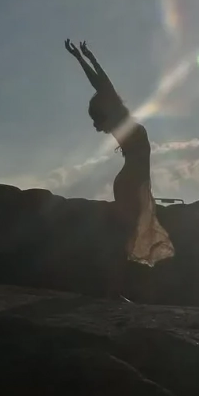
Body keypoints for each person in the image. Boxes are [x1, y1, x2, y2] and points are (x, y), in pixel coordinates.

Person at [64, 39, 174, 278]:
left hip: (133, 181)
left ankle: (114, 284)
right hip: (131, 182)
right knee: (126, 234)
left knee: (128, 234)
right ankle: (112, 284)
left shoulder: (119, 121)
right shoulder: (119, 121)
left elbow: (102, 85)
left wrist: (83, 57)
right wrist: (85, 58)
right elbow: (102, 84)